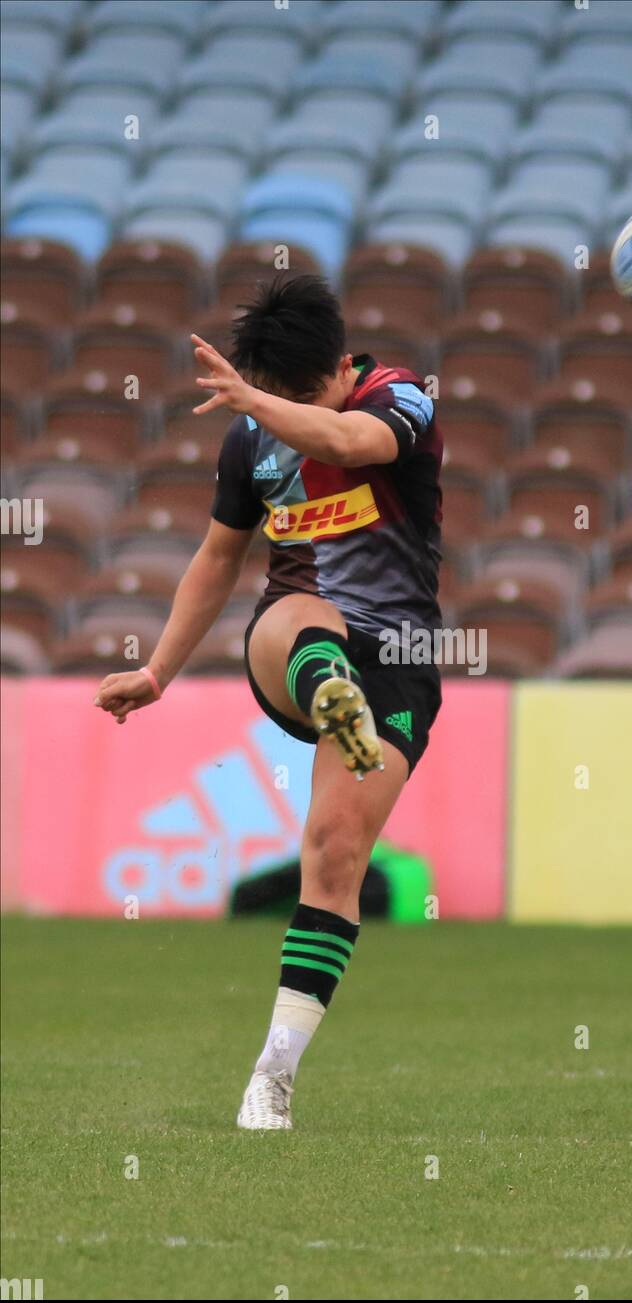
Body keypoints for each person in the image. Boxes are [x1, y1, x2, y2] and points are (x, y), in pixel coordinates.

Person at [94, 274, 444, 1126]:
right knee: (301, 615)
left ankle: (272, 1076)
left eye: (290, 394)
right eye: (264, 398)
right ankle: (329, 691)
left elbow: (345, 439)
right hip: (289, 642)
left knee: (332, 855)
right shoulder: (250, 445)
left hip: (395, 659)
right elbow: (217, 561)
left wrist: (255, 395)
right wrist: (157, 674)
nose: (273, 412)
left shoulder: (401, 399)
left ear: (336, 364)